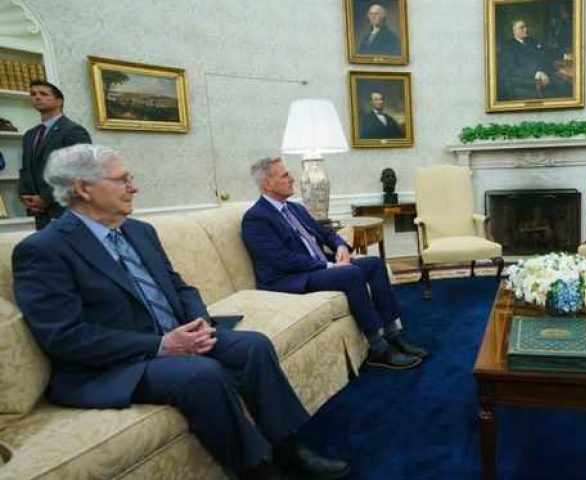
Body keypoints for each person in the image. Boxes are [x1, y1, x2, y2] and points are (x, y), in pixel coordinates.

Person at [12, 144, 349, 480]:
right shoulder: (44, 250)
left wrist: (198, 320)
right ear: (83, 188)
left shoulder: (139, 231)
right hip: (116, 363)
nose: (134, 187)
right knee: (203, 375)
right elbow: (65, 337)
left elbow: (179, 286)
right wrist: (161, 346)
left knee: (254, 346)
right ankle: (256, 469)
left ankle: (289, 448)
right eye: (122, 180)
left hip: (176, 335)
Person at [241, 157, 427, 370]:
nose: (292, 178)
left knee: (374, 264)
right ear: (267, 184)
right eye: (285, 175)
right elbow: (282, 260)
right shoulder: (256, 218)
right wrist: (329, 267)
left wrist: (340, 247)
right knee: (350, 274)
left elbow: (325, 232)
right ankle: (378, 348)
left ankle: (394, 335)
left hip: (315, 267)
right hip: (289, 279)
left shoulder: (294, 209)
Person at [18, 80, 92, 230]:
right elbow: (27, 169)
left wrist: (45, 198)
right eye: (33, 94)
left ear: (59, 101)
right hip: (40, 213)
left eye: (43, 94)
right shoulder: (30, 135)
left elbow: (78, 170)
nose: (37, 97)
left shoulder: (73, 131)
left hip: (66, 209)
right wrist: (26, 196)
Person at [498, 19, 570, 101]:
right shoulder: (508, 46)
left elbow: (546, 50)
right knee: (564, 85)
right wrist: (537, 73)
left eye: (526, 26)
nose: (526, 29)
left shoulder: (530, 40)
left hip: (548, 71)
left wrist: (564, 56)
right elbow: (512, 68)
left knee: (567, 81)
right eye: (522, 27)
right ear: (514, 30)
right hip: (530, 79)